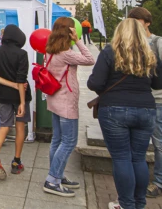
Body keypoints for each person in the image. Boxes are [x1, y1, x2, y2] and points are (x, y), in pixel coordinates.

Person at [88, 19, 162, 209]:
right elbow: (157, 84)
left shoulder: (110, 52)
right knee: (138, 158)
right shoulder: (149, 53)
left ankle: (126, 204)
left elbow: (95, 83)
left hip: (114, 109)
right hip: (146, 109)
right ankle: (140, 203)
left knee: (121, 158)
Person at [42, 17, 94, 197]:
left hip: (54, 100)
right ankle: (53, 179)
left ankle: (58, 173)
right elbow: (90, 59)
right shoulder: (66, 54)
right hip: (66, 102)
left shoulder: (48, 51)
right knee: (69, 141)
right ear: (69, 32)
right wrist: (79, 41)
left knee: (57, 140)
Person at [0, 24, 31, 180]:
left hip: (4, 95)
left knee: (4, 125)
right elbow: (21, 79)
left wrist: (9, 84)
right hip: (20, 96)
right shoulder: (22, 54)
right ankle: (16, 162)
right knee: (20, 127)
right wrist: (23, 102)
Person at [128, 8, 162, 199]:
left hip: (156, 100)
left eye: (138, 21)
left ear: (147, 22)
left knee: (159, 143)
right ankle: (135, 180)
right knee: (136, 145)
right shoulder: (128, 44)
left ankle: (158, 181)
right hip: (135, 100)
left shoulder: (157, 42)